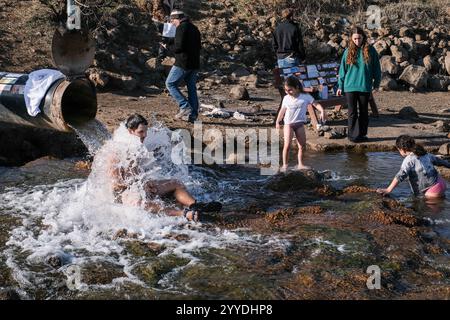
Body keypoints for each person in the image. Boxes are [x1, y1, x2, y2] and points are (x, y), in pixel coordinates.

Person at [107, 114, 221, 222]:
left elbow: (137, 173)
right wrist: (137, 186)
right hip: (123, 194)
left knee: (176, 183)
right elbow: (115, 185)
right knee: (138, 203)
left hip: (138, 186)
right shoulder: (116, 152)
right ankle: (183, 213)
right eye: (141, 132)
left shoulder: (136, 148)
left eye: (146, 131)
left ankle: (195, 205)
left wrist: (145, 182)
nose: (145, 135)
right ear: (130, 131)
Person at [336, 26, 381, 143]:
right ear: (351, 39)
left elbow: (377, 69)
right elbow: (342, 70)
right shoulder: (348, 51)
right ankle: (352, 136)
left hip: (364, 86)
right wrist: (340, 86)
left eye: (359, 38)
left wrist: (376, 84)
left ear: (363, 37)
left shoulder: (371, 51)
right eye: (354, 39)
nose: (357, 41)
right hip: (349, 87)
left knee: (364, 112)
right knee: (352, 112)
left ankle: (362, 134)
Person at [275, 76, 325, 171]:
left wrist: (322, 111)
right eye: (286, 90)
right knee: (287, 145)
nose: (287, 92)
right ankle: (285, 165)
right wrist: (278, 121)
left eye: (290, 90)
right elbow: (282, 111)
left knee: (302, 145)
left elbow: (316, 104)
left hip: (299, 124)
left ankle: (300, 164)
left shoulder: (305, 96)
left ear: (297, 87)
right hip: (288, 124)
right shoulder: (286, 98)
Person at [377, 135, 450, 199]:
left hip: (430, 190)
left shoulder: (409, 159)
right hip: (440, 183)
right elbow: (439, 161)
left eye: (398, 150)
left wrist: (388, 190)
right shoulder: (424, 153)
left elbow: (400, 175)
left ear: (402, 150)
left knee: (426, 212)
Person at [165, 10, 201, 123]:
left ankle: (184, 106)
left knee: (170, 83)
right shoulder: (194, 28)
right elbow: (198, 46)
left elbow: (178, 47)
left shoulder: (181, 27)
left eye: (172, 20)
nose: (172, 23)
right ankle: (193, 115)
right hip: (194, 63)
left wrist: (167, 47)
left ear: (177, 19)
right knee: (191, 89)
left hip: (183, 63)